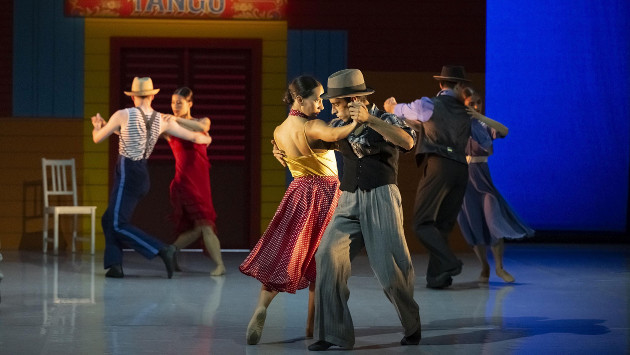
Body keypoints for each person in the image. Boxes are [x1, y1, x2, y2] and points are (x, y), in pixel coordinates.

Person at [239, 75, 359, 345]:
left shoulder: (279, 130)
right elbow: (336, 134)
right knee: (322, 262)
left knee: (287, 254)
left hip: (298, 193)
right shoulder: (313, 126)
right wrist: (357, 119)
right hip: (326, 194)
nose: (321, 103)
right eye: (317, 98)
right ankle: (311, 328)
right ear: (298, 99)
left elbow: (287, 158)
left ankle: (261, 308)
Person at [308, 69, 421, 351]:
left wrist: (370, 119)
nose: (333, 108)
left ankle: (411, 324)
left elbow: (407, 141)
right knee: (327, 255)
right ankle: (333, 333)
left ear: (355, 99)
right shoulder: (338, 123)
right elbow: (310, 141)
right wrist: (281, 147)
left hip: (381, 197)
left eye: (337, 103)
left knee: (390, 269)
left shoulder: (385, 119)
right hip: (347, 199)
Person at [91, 77, 212, 279]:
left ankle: (161, 249)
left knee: (117, 224)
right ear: (152, 95)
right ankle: (115, 266)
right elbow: (193, 136)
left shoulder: (123, 114)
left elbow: (97, 138)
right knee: (108, 219)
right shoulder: (160, 120)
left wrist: (98, 125)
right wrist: (207, 139)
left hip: (128, 170)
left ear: (134, 96)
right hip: (141, 174)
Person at [384, 65, 477, 289]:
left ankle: (449, 262)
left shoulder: (428, 105)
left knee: (422, 223)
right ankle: (438, 277)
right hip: (462, 170)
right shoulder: (465, 112)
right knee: (442, 225)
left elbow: (398, 110)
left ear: (440, 84)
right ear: (460, 86)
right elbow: (481, 139)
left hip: (440, 166)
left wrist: (391, 106)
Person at [457, 88, 534, 283]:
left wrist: (479, 115)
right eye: (471, 103)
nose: (475, 105)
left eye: (478, 102)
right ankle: (484, 267)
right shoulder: (457, 124)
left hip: (483, 181)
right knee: (473, 226)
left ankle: (499, 267)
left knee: (494, 222)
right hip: (464, 182)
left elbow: (504, 130)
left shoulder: (483, 124)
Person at [165, 87, 225, 276]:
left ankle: (170, 251)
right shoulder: (170, 128)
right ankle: (220, 265)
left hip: (202, 183)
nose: (175, 106)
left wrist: (176, 119)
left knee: (200, 226)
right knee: (205, 225)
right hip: (185, 182)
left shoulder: (201, 121)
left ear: (190, 103)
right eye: (173, 102)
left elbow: (202, 128)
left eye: (179, 102)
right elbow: (145, 131)